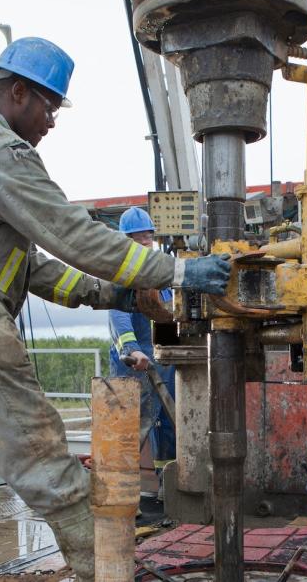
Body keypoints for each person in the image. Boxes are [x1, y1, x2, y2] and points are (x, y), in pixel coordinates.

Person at [0, 37, 230, 582]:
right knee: (42, 456)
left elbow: (36, 268)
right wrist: (177, 272)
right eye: (50, 105)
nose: (52, 121)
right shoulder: (1, 152)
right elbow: (73, 235)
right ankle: (109, 574)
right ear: (18, 93)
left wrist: (115, 294)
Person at [107, 207, 176, 490]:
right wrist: (133, 350)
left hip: (162, 357)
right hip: (133, 361)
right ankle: (117, 490)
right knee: (129, 426)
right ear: (126, 241)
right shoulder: (122, 274)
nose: (145, 242)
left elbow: (172, 310)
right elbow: (118, 315)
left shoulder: (159, 272)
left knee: (168, 422)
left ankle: (166, 484)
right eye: (138, 238)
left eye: (148, 237)